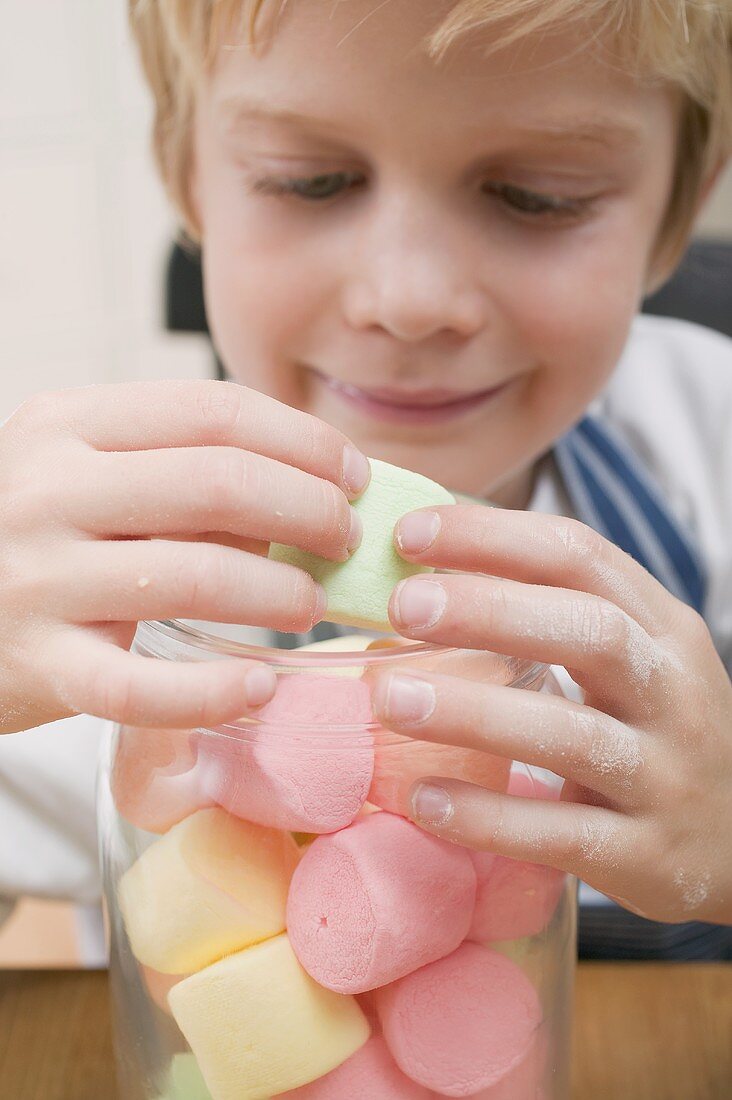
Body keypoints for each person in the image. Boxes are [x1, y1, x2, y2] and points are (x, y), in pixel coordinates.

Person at [1, 0, 731, 959]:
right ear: (189, 180)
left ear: (679, 203)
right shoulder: (87, 564)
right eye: (314, 181)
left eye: (539, 195)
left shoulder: (707, 444)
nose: (410, 301)